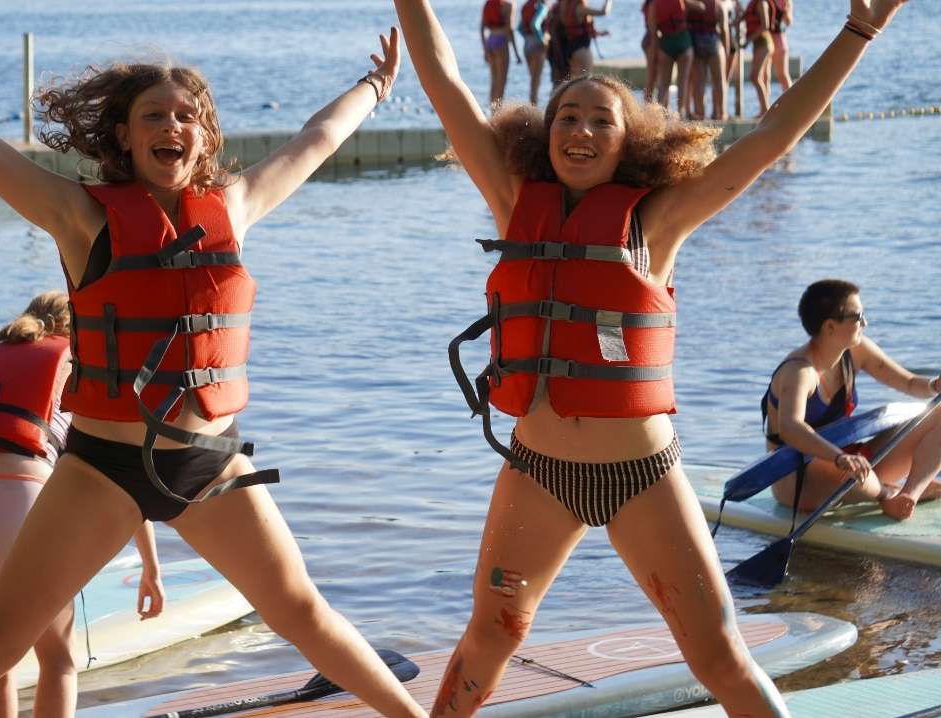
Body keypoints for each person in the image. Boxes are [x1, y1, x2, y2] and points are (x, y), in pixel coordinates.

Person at [0, 4, 427, 718]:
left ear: (204, 137)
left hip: (208, 464)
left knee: (303, 613)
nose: (170, 127)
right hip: (99, 471)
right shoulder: (78, 215)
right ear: (124, 135)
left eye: (185, 116)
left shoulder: (233, 206)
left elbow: (318, 137)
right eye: (152, 115)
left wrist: (376, 87)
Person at [392, 0, 907, 715]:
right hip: (538, 473)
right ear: (544, 138)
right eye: (567, 117)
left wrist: (860, 30)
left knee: (720, 655)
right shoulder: (513, 201)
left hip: (643, 477)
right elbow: (443, 80)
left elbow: (773, 134)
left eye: (602, 119)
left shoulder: (658, 223)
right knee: (490, 633)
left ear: (628, 141)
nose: (582, 129)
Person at [0, 290, 165, 718]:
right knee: (57, 659)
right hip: (20, 502)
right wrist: (150, 565)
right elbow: (122, 473)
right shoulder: (81, 367)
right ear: (79, 329)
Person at [763, 280, 941, 521]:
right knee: (858, 477)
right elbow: (791, 428)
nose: (864, 323)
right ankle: (886, 491)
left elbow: (908, 383)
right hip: (798, 479)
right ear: (829, 327)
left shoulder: (857, 351)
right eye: (858, 316)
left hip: (851, 464)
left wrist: (933, 385)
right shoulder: (799, 372)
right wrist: (839, 457)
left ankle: (908, 495)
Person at [648, 0, 696, 116]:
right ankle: (681, 111)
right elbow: (701, 7)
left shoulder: (654, 4)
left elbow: (654, 34)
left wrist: (653, 56)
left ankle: (662, 115)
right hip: (683, 41)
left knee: (664, 84)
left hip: (666, 43)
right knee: (683, 81)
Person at [548, 0, 611, 82]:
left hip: (567, 50)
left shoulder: (561, 5)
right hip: (580, 49)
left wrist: (599, 33)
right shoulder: (579, 7)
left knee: (574, 83)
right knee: (585, 81)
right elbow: (603, 12)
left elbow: (571, 28)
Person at [686, 0, 730, 120]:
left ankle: (700, 113)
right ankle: (721, 113)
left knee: (699, 81)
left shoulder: (693, 5)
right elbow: (724, 30)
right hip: (714, 43)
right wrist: (726, 52)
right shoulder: (718, 5)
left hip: (697, 43)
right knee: (719, 80)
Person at [482, 0, 522, 107]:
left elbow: (481, 28)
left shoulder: (488, 4)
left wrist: (485, 49)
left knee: (494, 81)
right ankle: (498, 114)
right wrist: (516, 53)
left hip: (490, 41)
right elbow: (510, 29)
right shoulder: (509, 5)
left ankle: (492, 113)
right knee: (501, 82)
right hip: (501, 42)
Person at [740, 0, 774, 115]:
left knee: (755, 76)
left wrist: (748, 40)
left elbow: (765, 25)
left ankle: (765, 109)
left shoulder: (761, 3)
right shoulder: (752, 4)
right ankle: (765, 110)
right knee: (763, 77)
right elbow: (743, 17)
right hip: (758, 44)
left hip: (764, 42)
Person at [518, 0, 550, 104]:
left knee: (533, 81)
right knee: (536, 82)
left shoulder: (526, 6)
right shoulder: (542, 7)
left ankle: (532, 107)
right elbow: (534, 25)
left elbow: (519, 28)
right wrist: (542, 40)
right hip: (537, 46)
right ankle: (534, 111)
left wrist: (528, 38)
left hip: (527, 44)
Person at [770, 0, 794, 92]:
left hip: (779, 41)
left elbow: (789, 22)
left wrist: (785, 11)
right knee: (765, 75)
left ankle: (791, 101)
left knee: (783, 75)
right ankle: (766, 105)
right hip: (766, 41)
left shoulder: (785, 1)